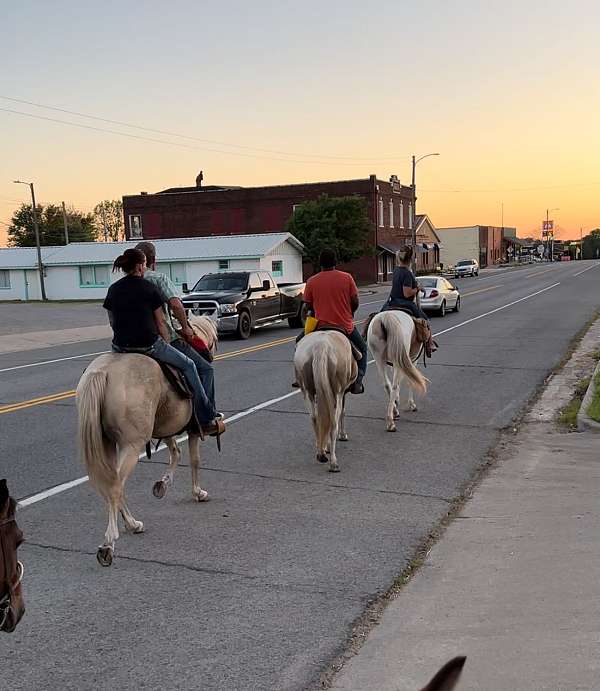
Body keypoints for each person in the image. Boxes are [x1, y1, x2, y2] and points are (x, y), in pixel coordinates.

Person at [102, 248, 224, 438]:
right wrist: (166, 342)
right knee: (192, 366)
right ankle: (207, 417)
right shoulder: (150, 287)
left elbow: (112, 321)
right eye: (142, 264)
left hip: (120, 346)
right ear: (140, 265)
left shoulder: (113, 289)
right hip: (149, 345)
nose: (144, 267)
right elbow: (160, 323)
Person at [134, 241, 219, 419]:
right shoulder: (158, 279)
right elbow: (175, 304)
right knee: (204, 369)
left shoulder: (125, 283)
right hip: (159, 339)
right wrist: (186, 327)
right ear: (153, 260)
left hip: (126, 344)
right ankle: (206, 417)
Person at [296, 248, 368, 394]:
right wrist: (350, 312)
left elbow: (308, 305)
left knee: (298, 343)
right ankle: (358, 380)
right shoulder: (347, 278)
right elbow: (355, 301)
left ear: (320, 263)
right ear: (335, 262)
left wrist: (317, 309)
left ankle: (300, 378)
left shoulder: (311, 281)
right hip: (344, 325)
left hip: (318, 325)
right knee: (363, 349)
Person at [381, 245, 437, 355]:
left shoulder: (396, 270)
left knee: (378, 316)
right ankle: (430, 344)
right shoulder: (407, 273)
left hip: (392, 301)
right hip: (405, 303)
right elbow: (406, 294)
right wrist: (417, 289)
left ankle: (366, 334)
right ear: (410, 259)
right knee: (425, 321)